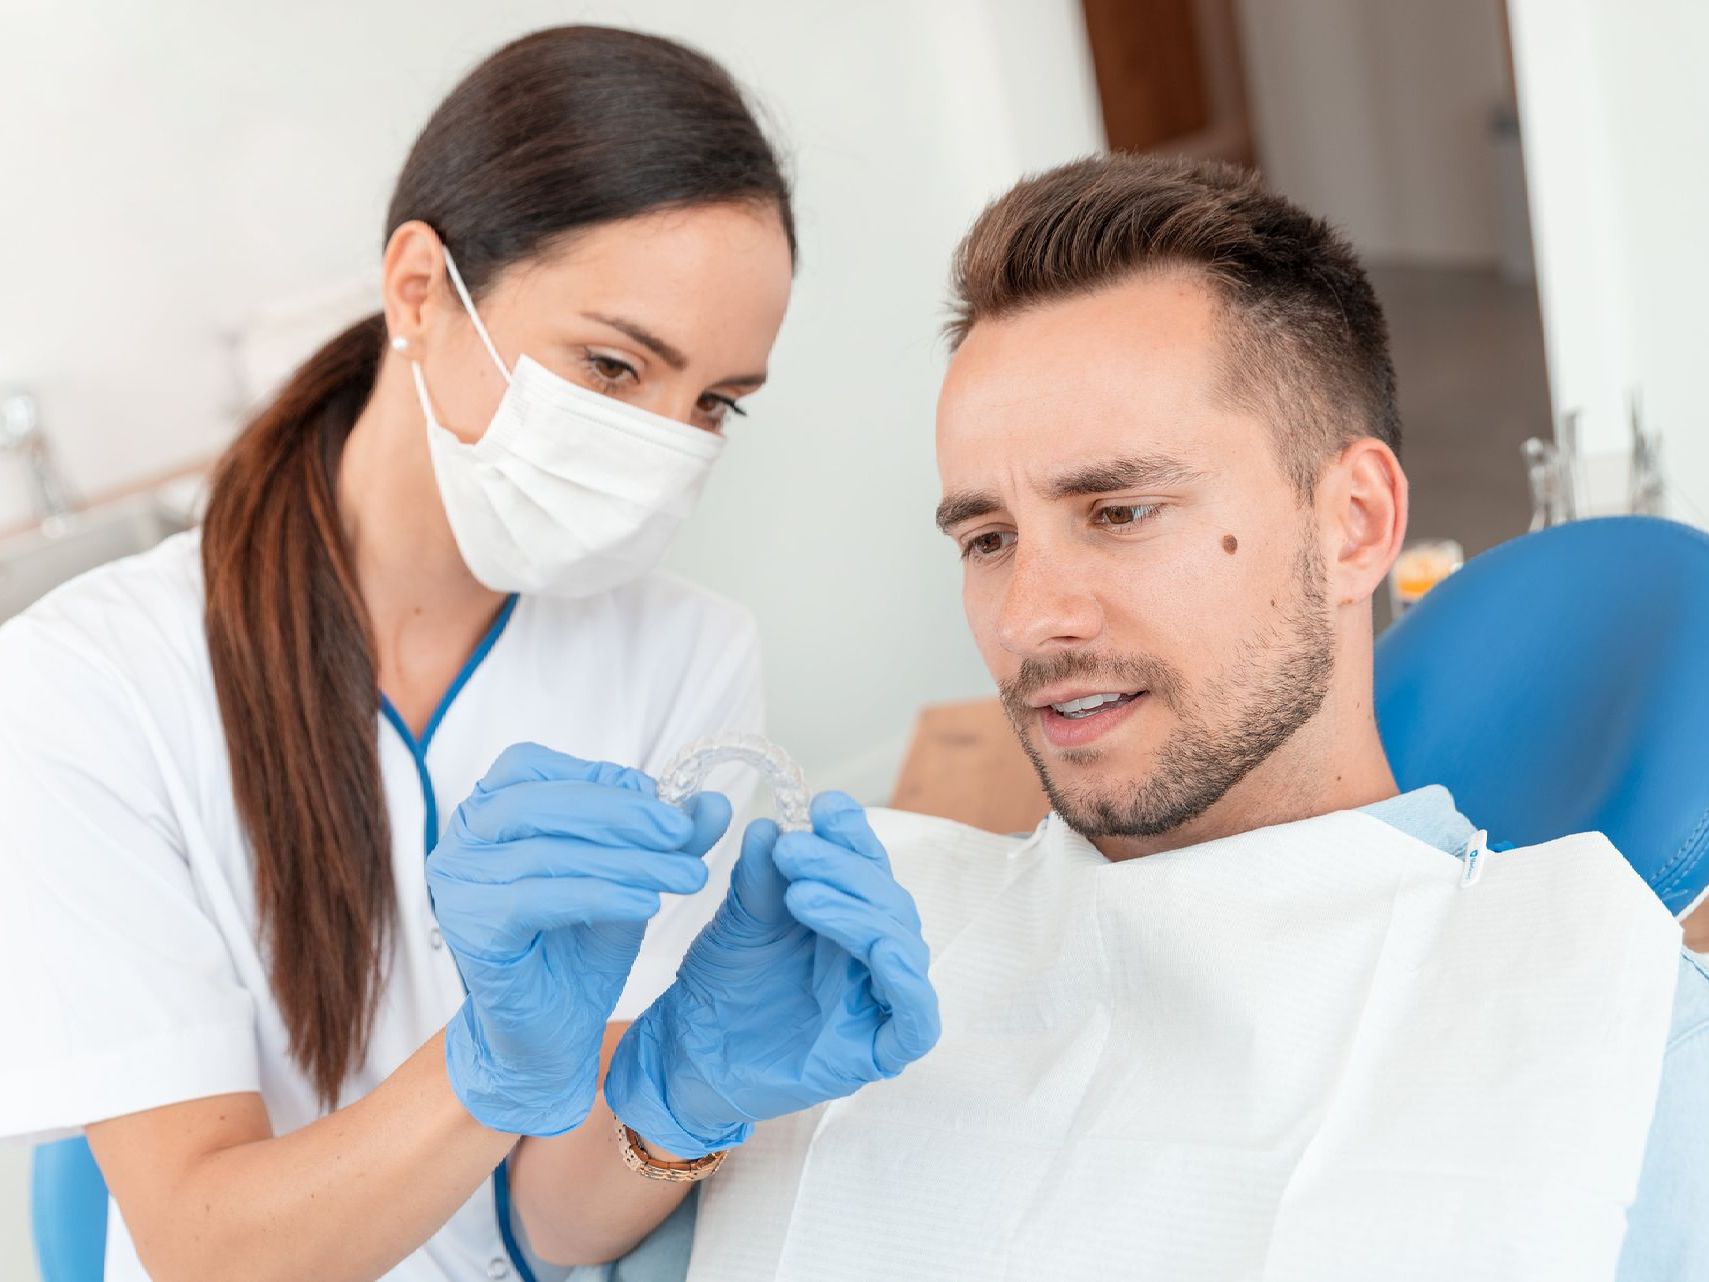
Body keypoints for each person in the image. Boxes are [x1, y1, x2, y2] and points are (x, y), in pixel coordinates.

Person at [0, 26, 936, 1282]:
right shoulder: (89, 685)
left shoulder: (685, 655)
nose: (665, 446)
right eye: (611, 366)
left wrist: (684, 1091)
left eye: (712, 402)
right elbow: (206, 1249)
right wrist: (485, 1067)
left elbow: (552, 1226)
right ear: (421, 293)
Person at [671, 155, 1706, 1280]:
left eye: (1118, 511)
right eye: (986, 539)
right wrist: (655, 1103)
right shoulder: (857, 962)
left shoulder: (1616, 1056)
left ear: (1354, 525)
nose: (1027, 619)